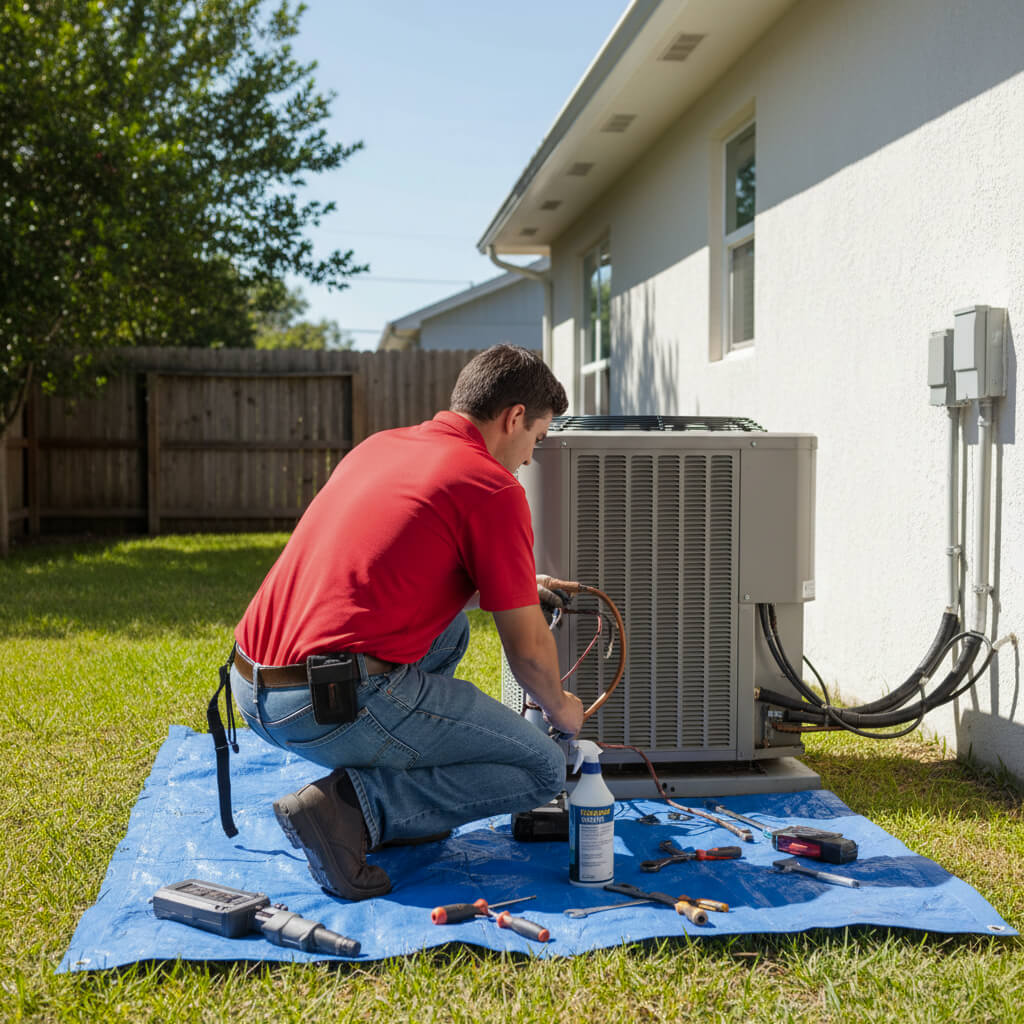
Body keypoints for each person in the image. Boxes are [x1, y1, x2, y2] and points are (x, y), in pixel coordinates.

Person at [229, 344, 583, 901]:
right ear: (514, 417)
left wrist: (517, 588)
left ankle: (401, 780)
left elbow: (385, 568)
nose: (530, 458)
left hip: (252, 691)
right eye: (536, 439)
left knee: (452, 633)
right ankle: (349, 814)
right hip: (324, 704)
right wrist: (564, 711)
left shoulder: (382, 446)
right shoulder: (492, 486)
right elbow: (530, 654)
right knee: (540, 769)